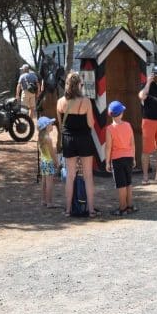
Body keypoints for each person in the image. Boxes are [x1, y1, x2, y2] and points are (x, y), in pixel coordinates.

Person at [57, 72, 98, 217]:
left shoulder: (60, 102)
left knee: (70, 176)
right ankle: (91, 209)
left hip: (68, 139)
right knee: (88, 175)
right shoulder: (86, 102)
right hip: (84, 139)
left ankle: (68, 210)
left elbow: (61, 124)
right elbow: (91, 124)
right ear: (79, 85)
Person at [104, 101, 137, 215]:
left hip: (117, 159)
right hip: (128, 157)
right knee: (129, 182)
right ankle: (130, 206)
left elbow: (108, 147)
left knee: (121, 184)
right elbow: (132, 143)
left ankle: (122, 208)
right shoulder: (128, 125)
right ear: (121, 113)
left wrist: (107, 162)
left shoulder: (109, 129)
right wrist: (133, 158)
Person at [36, 116, 59, 208]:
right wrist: (56, 162)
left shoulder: (40, 138)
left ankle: (43, 200)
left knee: (44, 182)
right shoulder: (48, 139)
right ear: (46, 126)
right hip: (49, 162)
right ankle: (49, 202)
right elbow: (52, 153)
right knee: (49, 183)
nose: (52, 125)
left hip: (43, 162)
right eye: (50, 124)